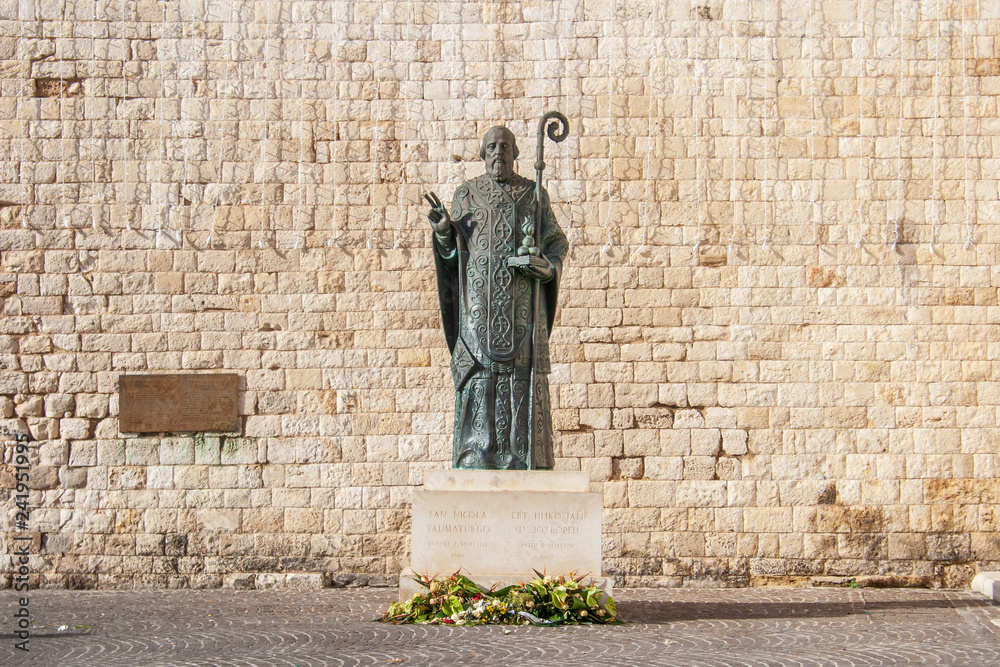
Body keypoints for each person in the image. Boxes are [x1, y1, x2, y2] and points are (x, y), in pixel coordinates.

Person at [426, 126, 568, 469]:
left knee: (519, 385)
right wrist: (445, 232)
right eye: (491, 146)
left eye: (505, 146)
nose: (498, 152)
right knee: (481, 384)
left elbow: (556, 244)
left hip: (521, 313)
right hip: (478, 318)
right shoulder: (467, 195)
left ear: (516, 153)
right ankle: (477, 457)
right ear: (482, 153)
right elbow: (453, 256)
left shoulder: (534, 195)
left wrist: (546, 268)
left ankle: (522, 458)